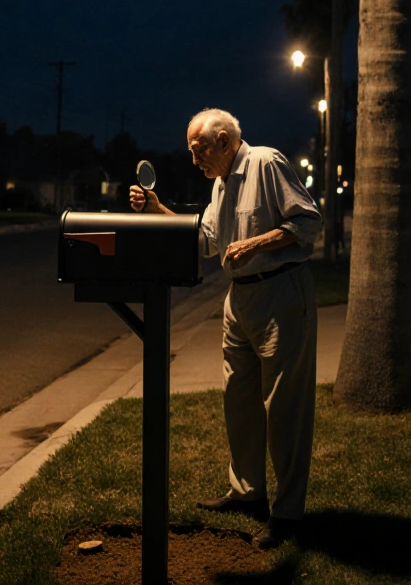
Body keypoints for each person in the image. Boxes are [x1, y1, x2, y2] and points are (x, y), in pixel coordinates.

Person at [130, 108, 321, 549]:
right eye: (191, 153)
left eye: (199, 151)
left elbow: (310, 221)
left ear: (223, 140)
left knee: (284, 408)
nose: (195, 160)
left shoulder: (266, 164)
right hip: (240, 299)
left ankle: (288, 514)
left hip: (280, 293)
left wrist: (257, 242)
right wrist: (160, 210)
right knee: (239, 399)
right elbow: (206, 241)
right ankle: (247, 492)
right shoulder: (221, 182)